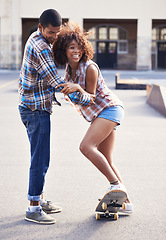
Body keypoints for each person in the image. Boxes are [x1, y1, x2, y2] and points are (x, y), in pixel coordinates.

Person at [18, 10, 94, 225]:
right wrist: (87, 97)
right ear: (41, 27)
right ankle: (33, 208)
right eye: (51, 33)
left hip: (32, 106)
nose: (54, 37)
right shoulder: (40, 47)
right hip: (35, 110)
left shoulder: (36, 36)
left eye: (57, 33)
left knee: (40, 157)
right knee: (40, 159)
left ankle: (39, 199)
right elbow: (57, 83)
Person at [53, 22, 133, 214]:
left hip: (109, 109)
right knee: (108, 160)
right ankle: (127, 203)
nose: (76, 51)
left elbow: (91, 97)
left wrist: (78, 89)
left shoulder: (89, 67)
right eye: (72, 47)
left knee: (86, 147)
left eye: (79, 47)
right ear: (64, 49)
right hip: (100, 114)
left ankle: (115, 185)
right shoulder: (68, 70)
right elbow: (72, 94)